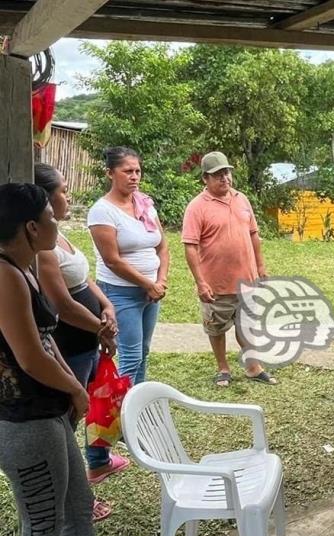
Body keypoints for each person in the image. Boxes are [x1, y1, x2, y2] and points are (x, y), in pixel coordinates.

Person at [0, 183, 96, 536]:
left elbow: (44, 337)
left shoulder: (24, 268)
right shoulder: (5, 275)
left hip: (48, 413)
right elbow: (30, 357)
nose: (57, 223)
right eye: (51, 217)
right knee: (42, 530)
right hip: (24, 423)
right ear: (31, 228)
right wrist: (74, 388)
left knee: (78, 508)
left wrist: (74, 385)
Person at [34, 163, 130, 511]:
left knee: (83, 413)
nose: (68, 194)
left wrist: (107, 307)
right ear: (44, 200)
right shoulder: (43, 248)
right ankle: (76, 501)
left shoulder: (58, 234)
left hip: (87, 341)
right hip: (70, 345)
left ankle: (91, 472)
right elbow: (62, 304)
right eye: (62, 190)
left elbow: (83, 280)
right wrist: (102, 328)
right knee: (66, 425)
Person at [181, 151, 275, 387]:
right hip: (216, 283)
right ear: (205, 178)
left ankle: (253, 367)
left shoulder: (241, 199)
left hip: (247, 279)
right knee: (216, 327)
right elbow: (190, 247)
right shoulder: (197, 207)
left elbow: (254, 235)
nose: (225, 178)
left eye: (227, 173)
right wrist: (201, 282)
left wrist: (260, 266)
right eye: (218, 175)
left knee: (248, 325)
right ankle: (223, 368)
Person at [88, 146, 170, 385]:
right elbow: (112, 260)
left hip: (151, 292)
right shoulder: (102, 211)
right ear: (110, 173)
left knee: (143, 352)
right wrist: (148, 283)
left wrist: (160, 281)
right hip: (120, 292)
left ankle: (137, 407)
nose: (134, 176)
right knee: (131, 356)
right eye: (127, 171)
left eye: (138, 171)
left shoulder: (144, 204)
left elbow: (163, 246)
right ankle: (123, 413)